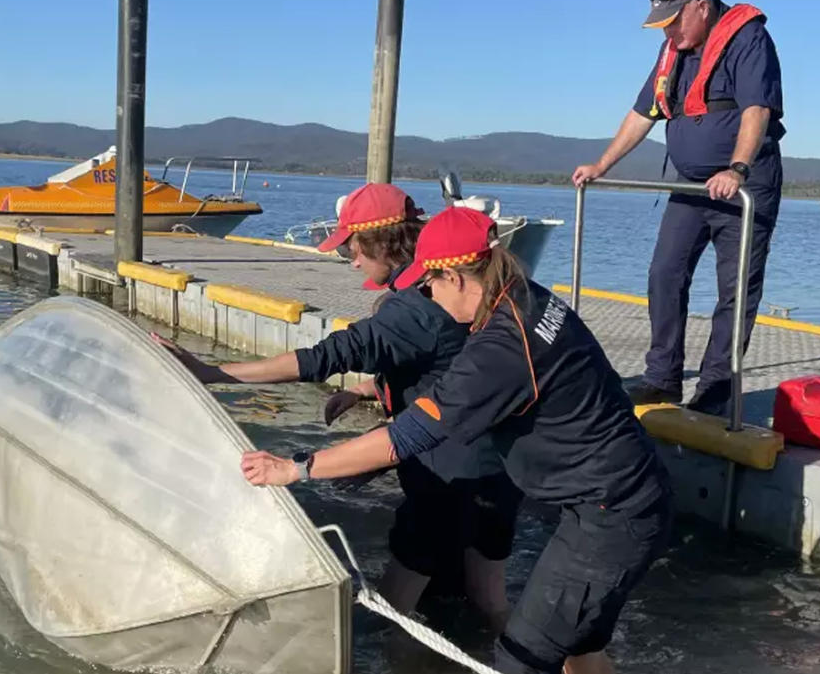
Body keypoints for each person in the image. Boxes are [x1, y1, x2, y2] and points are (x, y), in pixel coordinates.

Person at [241, 206, 673, 674]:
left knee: (521, 657)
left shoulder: (501, 349)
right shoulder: (529, 297)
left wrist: (298, 467)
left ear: (456, 277)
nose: (429, 296)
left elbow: (403, 438)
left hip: (607, 515)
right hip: (627, 493)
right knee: (577, 648)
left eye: (429, 285)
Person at [154, 183, 520, 632]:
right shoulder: (461, 290)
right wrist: (367, 391)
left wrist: (215, 373)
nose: (352, 261)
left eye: (353, 249)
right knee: (487, 600)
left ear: (379, 242)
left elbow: (321, 358)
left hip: (445, 478)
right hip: (499, 469)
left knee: (394, 611)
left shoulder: (412, 309)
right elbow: (447, 367)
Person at [573, 0, 785, 416]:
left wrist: (737, 169)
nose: (667, 32)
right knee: (664, 274)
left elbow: (756, 110)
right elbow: (641, 114)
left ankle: (715, 389)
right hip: (690, 186)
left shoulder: (747, 37)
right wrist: (602, 165)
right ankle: (662, 378)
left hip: (743, 185)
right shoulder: (673, 51)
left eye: (673, 21)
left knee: (736, 290)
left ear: (701, 8)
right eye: (662, 24)